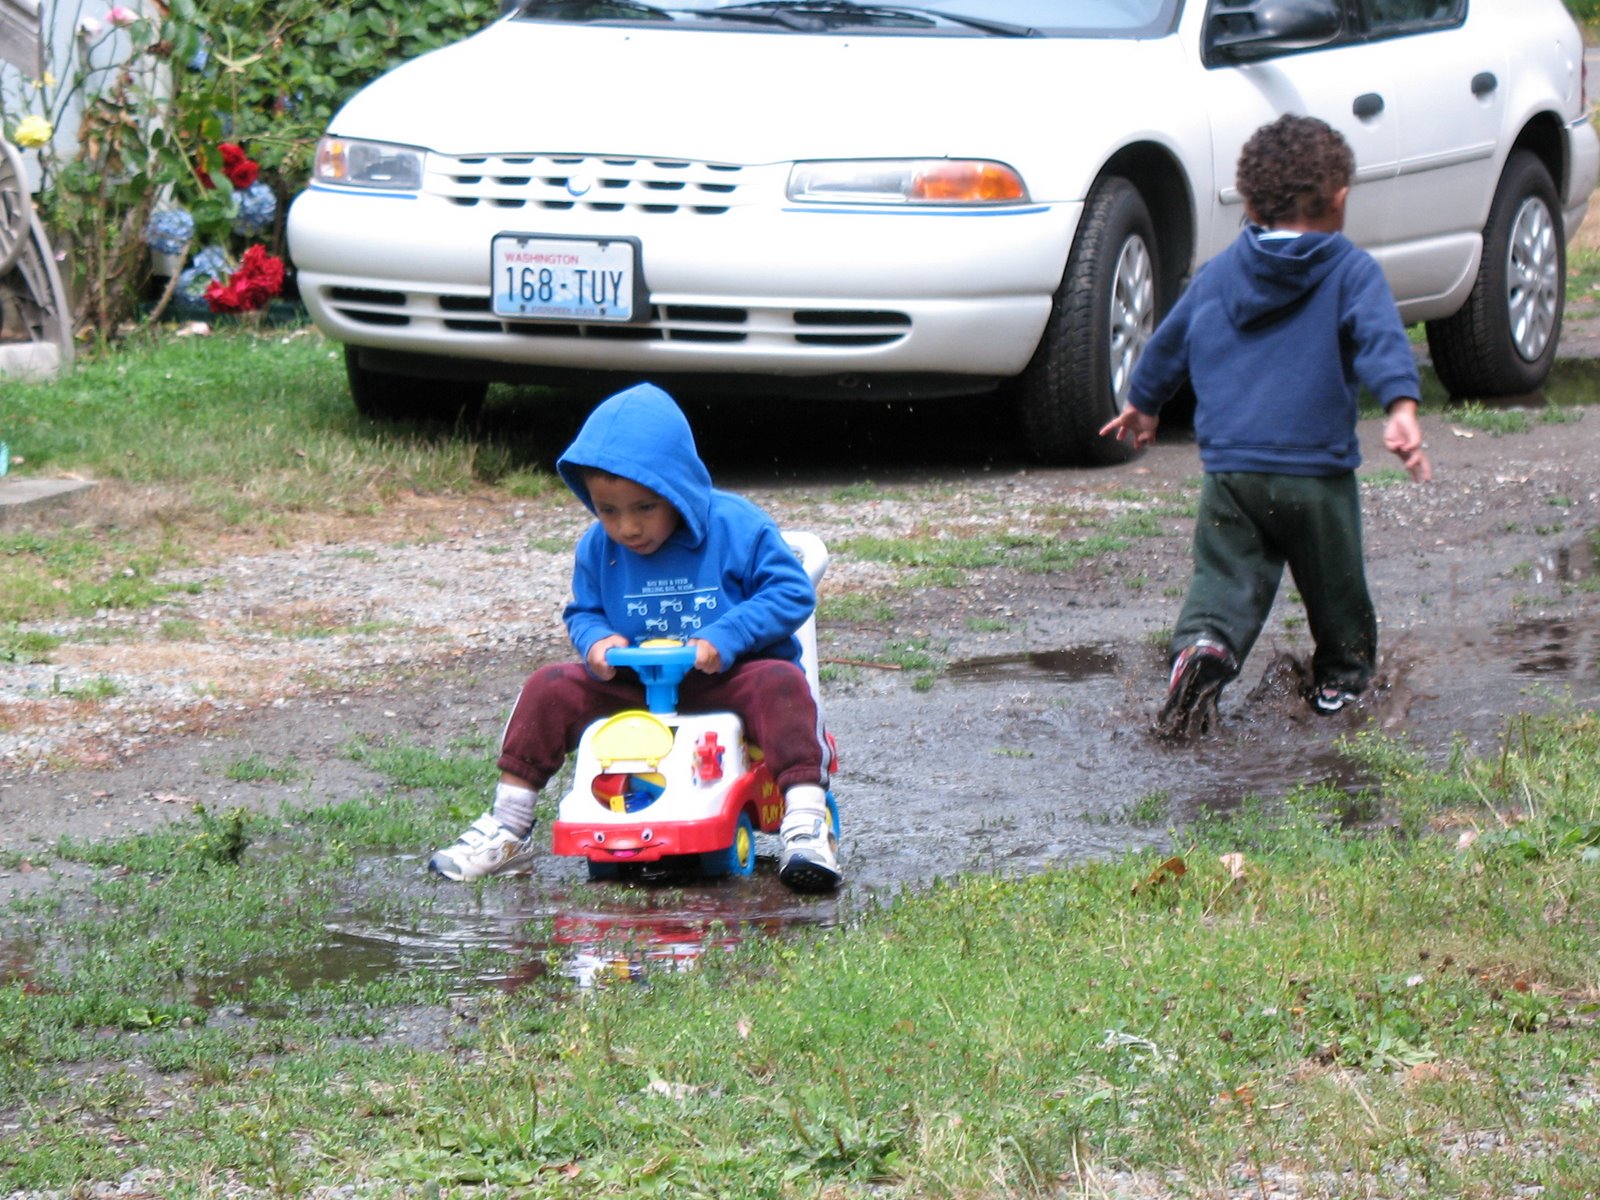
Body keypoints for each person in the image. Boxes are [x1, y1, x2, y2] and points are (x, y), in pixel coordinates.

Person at [428, 382, 841, 890]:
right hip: (638, 686)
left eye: (644, 507)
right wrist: (597, 640)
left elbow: (791, 592)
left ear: (678, 491)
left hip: (728, 681)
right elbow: (584, 611)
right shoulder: (597, 547)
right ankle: (509, 825)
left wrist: (727, 634)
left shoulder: (738, 527)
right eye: (608, 510)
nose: (627, 528)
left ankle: (805, 819)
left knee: (781, 683)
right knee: (550, 686)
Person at [1100, 113, 1432, 736]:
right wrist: (1401, 408)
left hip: (1233, 471)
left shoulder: (1220, 273)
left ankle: (1204, 650)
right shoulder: (1351, 271)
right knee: (1335, 589)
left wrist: (1143, 405)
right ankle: (1340, 684)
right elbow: (1382, 341)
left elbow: (1168, 344)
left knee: (1225, 579)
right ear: (1340, 200)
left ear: (1250, 205)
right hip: (1316, 473)